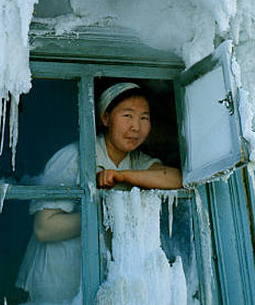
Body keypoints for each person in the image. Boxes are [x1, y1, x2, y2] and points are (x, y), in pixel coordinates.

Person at [16, 82, 182, 304]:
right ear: (105, 119)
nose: (136, 127)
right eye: (127, 115)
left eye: (144, 118)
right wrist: (106, 215)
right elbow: (44, 228)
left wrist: (124, 176)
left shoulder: (137, 161)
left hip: (100, 278)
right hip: (57, 277)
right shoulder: (75, 156)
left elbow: (176, 179)